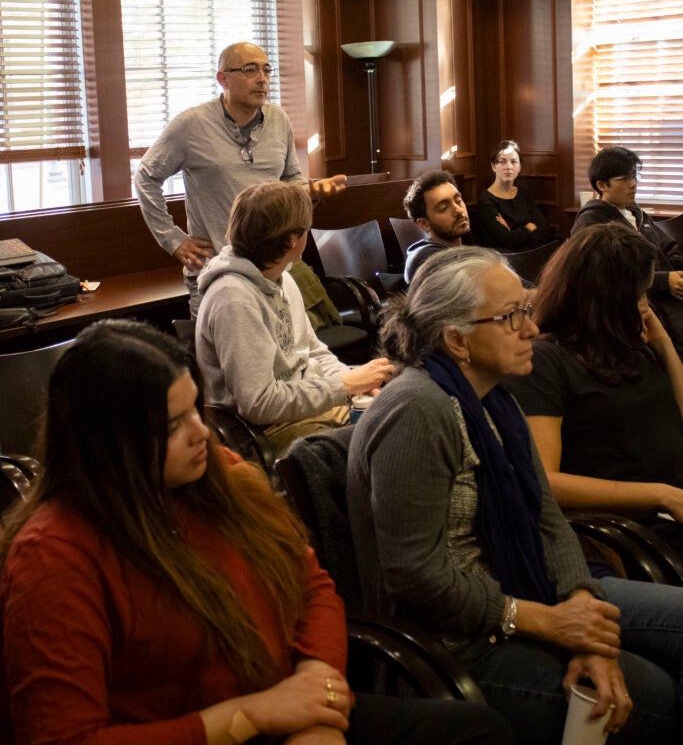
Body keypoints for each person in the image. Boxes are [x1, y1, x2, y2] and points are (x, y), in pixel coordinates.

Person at [0, 319, 511, 745]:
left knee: (476, 731)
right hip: (203, 732)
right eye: (172, 426)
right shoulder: (55, 556)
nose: (202, 433)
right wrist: (255, 715)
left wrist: (318, 693)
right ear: (108, 443)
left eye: (195, 411)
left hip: (287, 708)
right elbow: (64, 740)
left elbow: (312, 588)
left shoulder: (221, 477)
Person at [347, 246, 683, 745]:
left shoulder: (495, 398)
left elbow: (547, 518)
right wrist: (549, 623)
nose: (530, 329)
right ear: (456, 340)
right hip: (452, 639)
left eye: (526, 309)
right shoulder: (418, 410)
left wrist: (580, 604)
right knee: (651, 694)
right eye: (510, 318)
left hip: (529, 589)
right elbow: (414, 576)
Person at [506, 223, 683, 552]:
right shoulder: (546, 361)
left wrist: (663, 344)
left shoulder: (626, 341)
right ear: (607, 299)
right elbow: (545, 481)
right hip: (641, 528)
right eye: (637, 294)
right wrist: (661, 494)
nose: (645, 304)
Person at [135, 41, 346, 316]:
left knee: (288, 354)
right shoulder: (191, 125)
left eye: (267, 70)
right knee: (227, 357)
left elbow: (290, 178)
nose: (262, 79)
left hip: (273, 264)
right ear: (223, 78)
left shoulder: (278, 119)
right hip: (218, 269)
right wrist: (173, 239)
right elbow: (145, 177)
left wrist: (312, 189)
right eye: (250, 70)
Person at [196, 181, 393, 456]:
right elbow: (258, 404)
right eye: (306, 229)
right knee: (384, 441)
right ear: (291, 240)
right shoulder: (233, 299)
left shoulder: (283, 276)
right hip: (265, 431)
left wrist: (354, 382)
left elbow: (313, 352)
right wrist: (345, 386)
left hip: (305, 407)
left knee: (398, 413)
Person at [572, 145, 683, 349]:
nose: (633, 185)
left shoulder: (636, 213)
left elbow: (667, 249)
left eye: (633, 176)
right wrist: (663, 281)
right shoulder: (592, 222)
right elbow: (602, 275)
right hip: (636, 307)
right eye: (623, 180)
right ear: (602, 185)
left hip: (666, 300)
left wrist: (677, 270)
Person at [477, 140, 552, 250]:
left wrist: (513, 231)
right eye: (502, 162)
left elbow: (544, 230)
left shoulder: (523, 192)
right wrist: (528, 227)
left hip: (533, 252)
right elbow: (506, 240)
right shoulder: (486, 200)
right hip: (507, 259)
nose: (508, 167)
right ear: (493, 166)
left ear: (519, 167)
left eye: (513, 162)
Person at [402, 170, 471, 283]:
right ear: (424, 224)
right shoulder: (429, 260)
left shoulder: (453, 250)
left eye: (458, 201)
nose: (458, 210)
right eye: (444, 208)